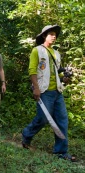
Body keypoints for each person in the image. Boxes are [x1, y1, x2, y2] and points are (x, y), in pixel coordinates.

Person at [22, 25, 76, 161]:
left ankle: (60, 152)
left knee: (62, 120)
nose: (54, 36)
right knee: (43, 118)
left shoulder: (56, 54)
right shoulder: (37, 51)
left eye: (55, 34)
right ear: (44, 36)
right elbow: (32, 71)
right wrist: (36, 88)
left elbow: (56, 73)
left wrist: (65, 79)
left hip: (57, 92)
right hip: (44, 91)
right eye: (51, 34)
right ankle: (26, 135)